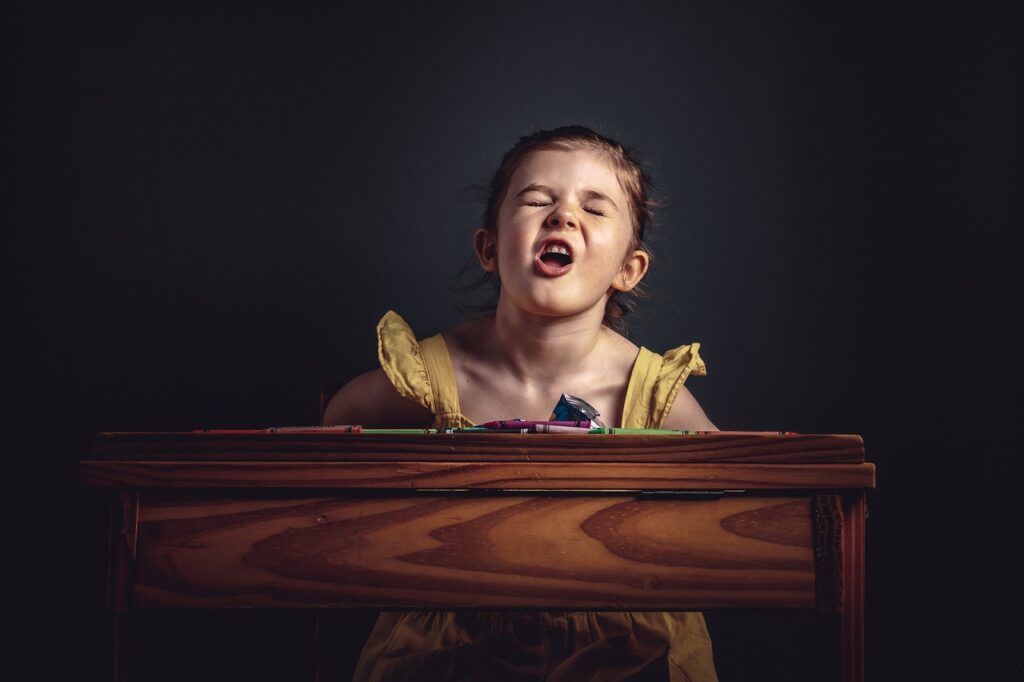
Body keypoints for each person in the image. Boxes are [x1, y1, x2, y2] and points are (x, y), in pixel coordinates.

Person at [323, 125, 719, 681]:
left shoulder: (652, 393)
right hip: (445, 652)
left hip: (630, 653)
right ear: (489, 247)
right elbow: (332, 433)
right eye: (537, 201)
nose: (562, 216)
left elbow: (730, 503)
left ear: (629, 269)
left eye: (595, 208)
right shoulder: (429, 377)